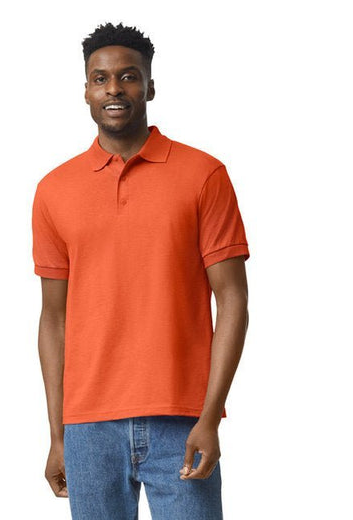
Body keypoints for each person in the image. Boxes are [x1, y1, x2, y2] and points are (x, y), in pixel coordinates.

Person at [31, 21, 250, 520]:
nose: (114, 88)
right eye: (100, 78)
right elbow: (53, 318)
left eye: (128, 76)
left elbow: (233, 299)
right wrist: (58, 434)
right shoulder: (54, 190)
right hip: (88, 426)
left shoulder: (203, 175)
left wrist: (210, 416)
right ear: (86, 91)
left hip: (183, 419)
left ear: (150, 87)